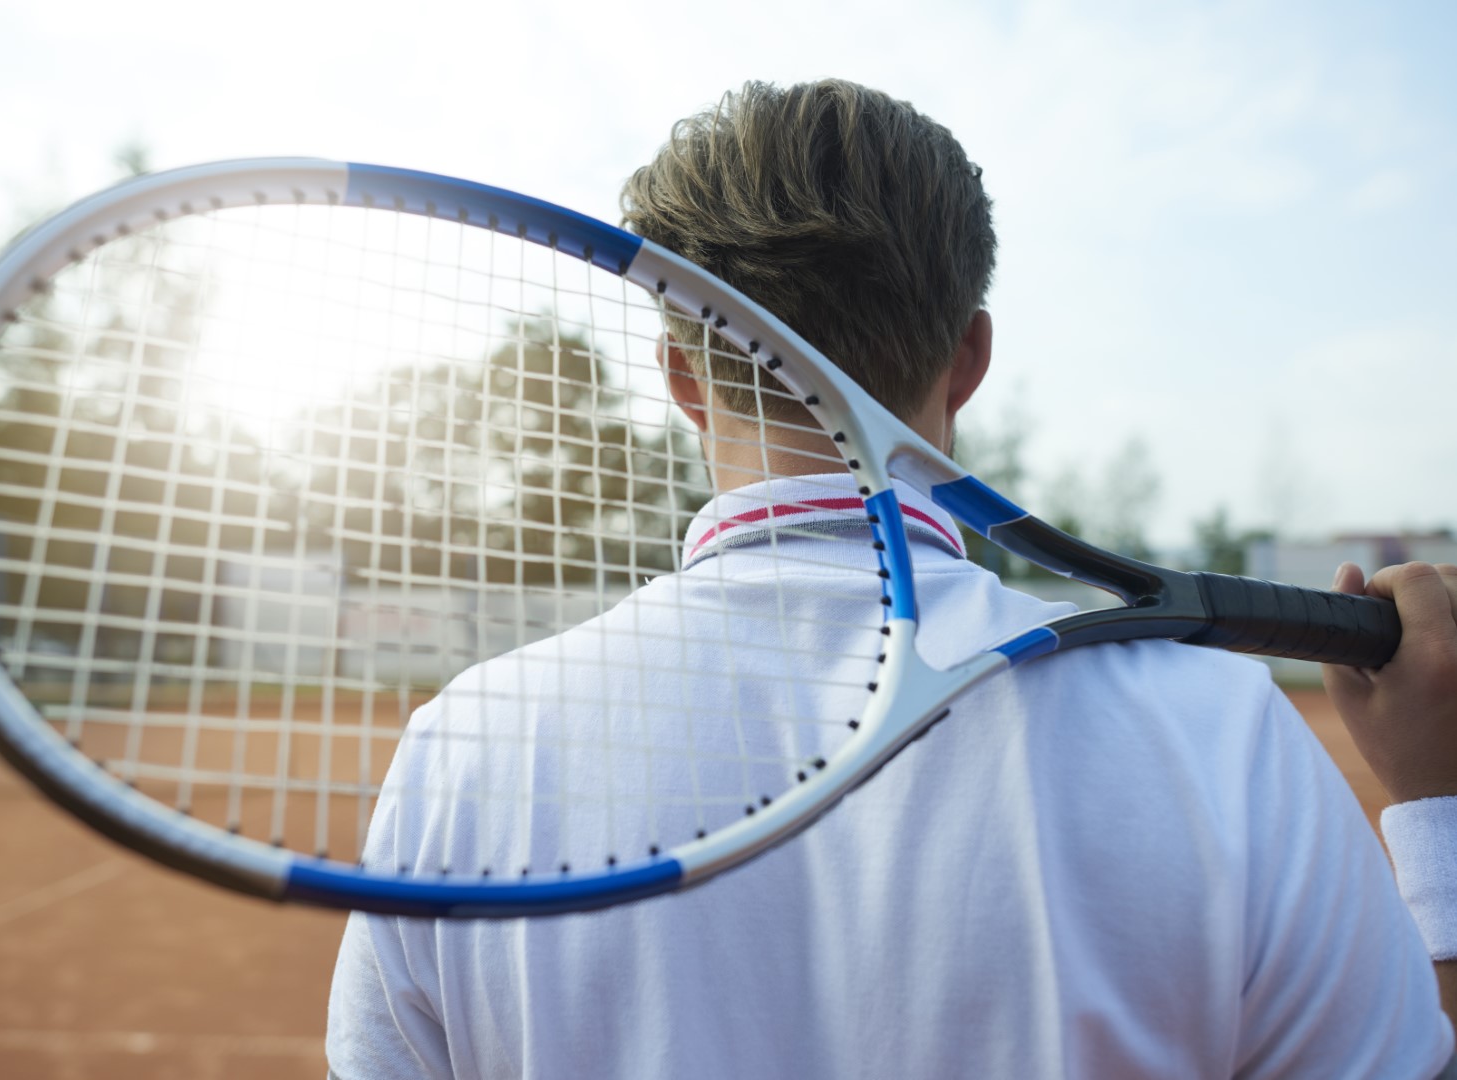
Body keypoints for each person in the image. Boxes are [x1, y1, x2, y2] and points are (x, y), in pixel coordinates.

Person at [326, 79, 1457, 1078]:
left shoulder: (463, 750)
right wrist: (1443, 814)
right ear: (969, 356)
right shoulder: (1219, 737)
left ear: (679, 374)